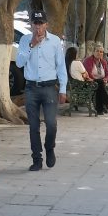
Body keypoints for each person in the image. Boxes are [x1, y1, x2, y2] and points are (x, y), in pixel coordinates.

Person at [15, 10, 67, 171]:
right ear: (31, 24)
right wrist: (31, 45)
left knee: (51, 124)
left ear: (46, 25)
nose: (38, 27)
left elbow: (61, 66)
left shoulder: (55, 41)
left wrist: (63, 89)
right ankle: (36, 159)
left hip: (49, 88)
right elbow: (19, 63)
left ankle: (49, 148)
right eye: (35, 23)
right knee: (33, 126)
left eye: (41, 24)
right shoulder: (25, 40)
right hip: (31, 88)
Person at [83, 42, 108, 114]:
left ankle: (100, 109)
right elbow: (88, 74)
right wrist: (100, 81)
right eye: (97, 51)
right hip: (89, 82)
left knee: (102, 85)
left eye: (101, 52)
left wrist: (105, 80)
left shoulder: (103, 62)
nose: (99, 53)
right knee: (99, 84)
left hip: (101, 82)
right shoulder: (88, 60)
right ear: (93, 52)